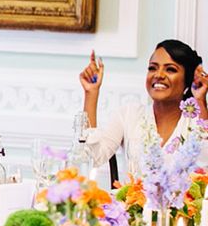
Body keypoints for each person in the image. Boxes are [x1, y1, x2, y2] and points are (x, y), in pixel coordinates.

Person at [79, 40, 208, 175]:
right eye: (153, 68)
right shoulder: (129, 114)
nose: (158, 75)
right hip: (132, 196)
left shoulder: (196, 123)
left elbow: (204, 167)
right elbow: (93, 157)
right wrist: (91, 93)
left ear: (188, 79)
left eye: (170, 69)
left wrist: (200, 100)